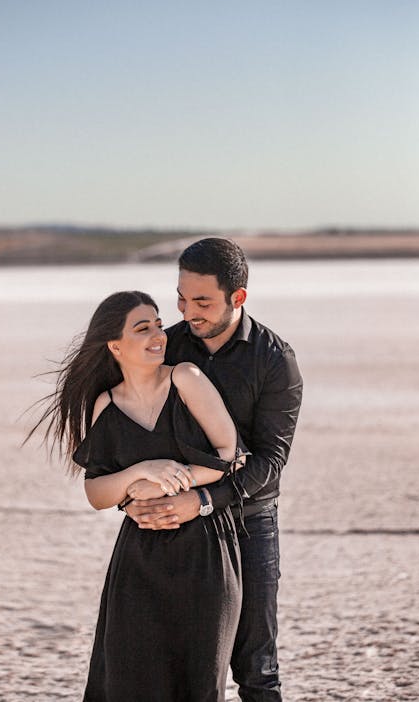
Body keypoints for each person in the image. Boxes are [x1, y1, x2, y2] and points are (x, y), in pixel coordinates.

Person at [33, 290, 246, 702]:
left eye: (159, 324)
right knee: (130, 681)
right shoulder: (105, 404)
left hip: (203, 554)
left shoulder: (185, 377)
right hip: (138, 562)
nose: (158, 335)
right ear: (115, 345)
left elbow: (232, 455)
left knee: (198, 685)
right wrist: (139, 473)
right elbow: (97, 491)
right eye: (142, 327)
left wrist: (166, 482)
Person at [125, 238, 303, 702]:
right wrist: (133, 500)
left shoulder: (274, 360)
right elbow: (126, 429)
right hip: (170, 526)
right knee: (176, 664)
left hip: (248, 524)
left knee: (257, 670)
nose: (187, 312)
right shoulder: (167, 346)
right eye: (181, 298)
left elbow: (270, 461)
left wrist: (201, 501)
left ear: (237, 297)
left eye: (202, 302)